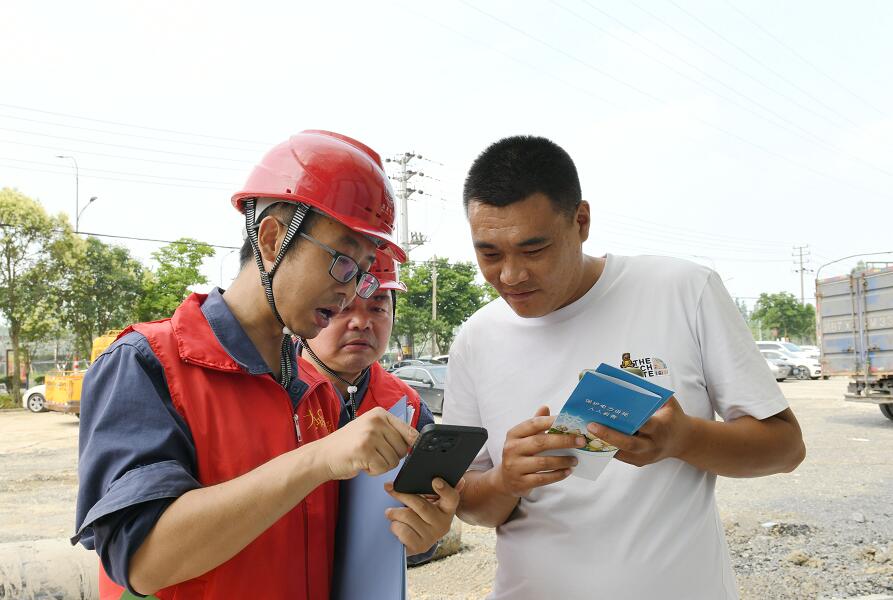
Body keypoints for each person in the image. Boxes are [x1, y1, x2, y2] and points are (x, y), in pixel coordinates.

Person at [443, 135, 806, 599]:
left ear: (581, 221)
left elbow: (785, 448)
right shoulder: (476, 338)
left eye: (533, 250)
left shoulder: (682, 290)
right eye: (490, 254)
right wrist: (504, 480)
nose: (511, 275)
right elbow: (471, 505)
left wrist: (684, 438)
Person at [73, 130, 420, 600]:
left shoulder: (315, 391)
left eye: (361, 272)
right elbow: (143, 560)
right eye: (343, 261)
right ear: (274, 239)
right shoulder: (147, 364)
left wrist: (418, 527)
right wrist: (317, 459)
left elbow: (344, 544)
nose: (349, 290)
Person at [301, 251, 460, 562]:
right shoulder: (270, 388)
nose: (362, 322)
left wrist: (424, 536)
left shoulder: (408, 406)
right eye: (343, 306)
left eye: (377, 307)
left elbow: (418, 529)